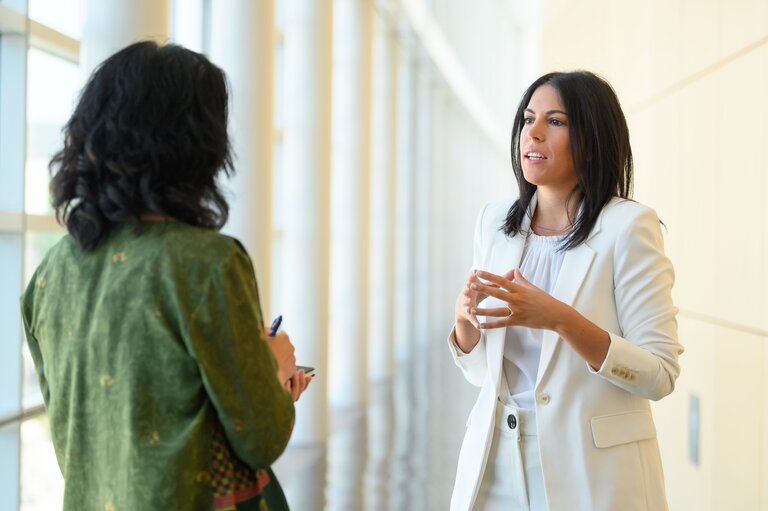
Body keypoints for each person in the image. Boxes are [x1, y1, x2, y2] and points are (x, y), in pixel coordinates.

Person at [20, 41, 311, 511]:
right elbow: (261, 438)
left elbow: (80, 437)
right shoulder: (209, 264)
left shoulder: (49, 275)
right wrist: (275, 367)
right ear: (198, 143)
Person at [448, 71, 683, 511]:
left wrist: (558, 317)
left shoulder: (628, 228)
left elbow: (659, 374)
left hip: (587, 472)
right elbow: (485, 375)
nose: (533, 133)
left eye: (555, 121)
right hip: (493, 458)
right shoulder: (494, 224)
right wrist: (465, 325)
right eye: (528, 118)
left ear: (591, 140)